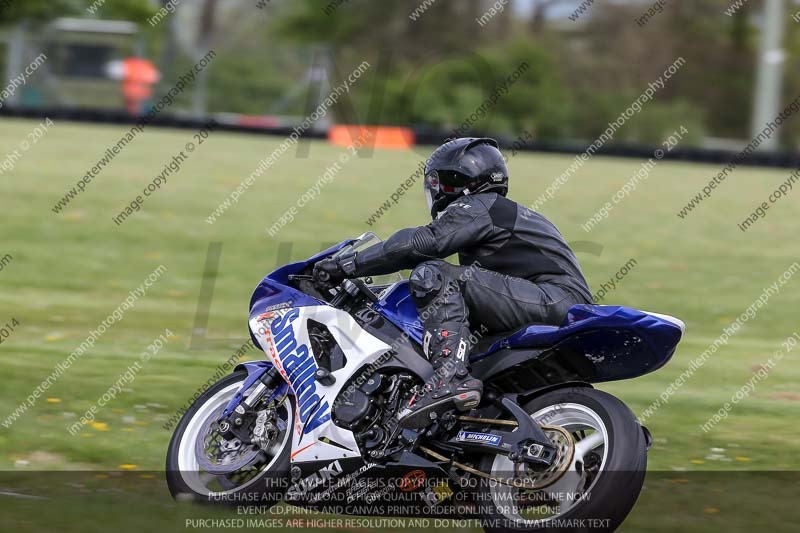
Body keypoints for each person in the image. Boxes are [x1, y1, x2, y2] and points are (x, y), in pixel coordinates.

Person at [313, 137, 593, 427]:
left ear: (452, 181)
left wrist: (349, 264)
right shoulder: (508, 212)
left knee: (432, 275)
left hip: (553, 299)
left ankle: (449, 378)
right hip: (555, 304)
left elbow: (424, 242)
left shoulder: (482, 206)